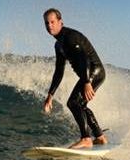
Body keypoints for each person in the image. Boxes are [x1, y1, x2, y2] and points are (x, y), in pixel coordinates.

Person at [42, 8, 108, 149]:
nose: (49, 26)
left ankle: (86, 138)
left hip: (94, 71)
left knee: (73, 103)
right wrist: (50, 95)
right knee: (80, 105)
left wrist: (86, 82)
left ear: (61, 22)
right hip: (89, 74)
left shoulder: (70, 37)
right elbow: (59, 71)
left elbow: (83, 58)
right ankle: (100, 138)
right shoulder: (58, 44)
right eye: (47, 23)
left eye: (53, 22)